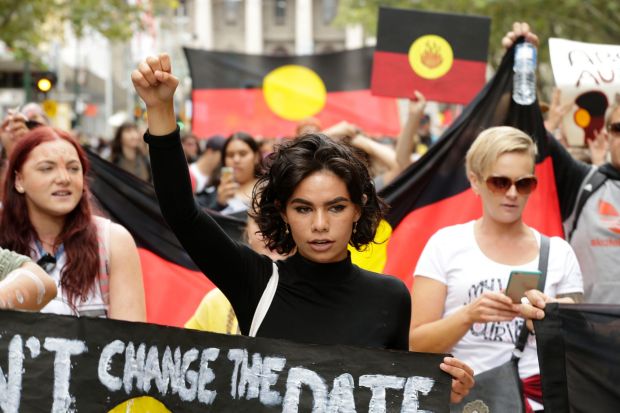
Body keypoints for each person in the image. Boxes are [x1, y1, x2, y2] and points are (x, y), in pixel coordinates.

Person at [132, 53, 474, 403]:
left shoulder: (391, 297)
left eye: (336, 207)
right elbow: (182, 214)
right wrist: (160, 110)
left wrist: (438, 389)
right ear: (283, 213)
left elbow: (393, 399)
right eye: (304, 208)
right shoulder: (257, 283)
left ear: (358, 209)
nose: (321, 225)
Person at [410, 126, 584, 411]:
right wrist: (469, 314)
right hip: (465, 401)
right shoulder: (445, 244)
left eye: (524, 183)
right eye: (500, 182)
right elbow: (416, 344)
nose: (513, 193)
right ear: (475, 182)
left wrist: (548, 317)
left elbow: (579, 341)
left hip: (540, 400)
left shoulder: (558, 253)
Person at [503, 22, 620, 304]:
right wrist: (519, 66)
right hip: (588, 339)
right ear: (607, 133)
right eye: (619, 128)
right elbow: (528, 134)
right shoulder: (583, 183)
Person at [0, 126, 146, 321]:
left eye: (73, 168)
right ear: (19, 180)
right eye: (46, 168)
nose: (64, 178)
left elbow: (131, 342)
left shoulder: (113, 242)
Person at [211, 132, 262, 215]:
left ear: (256, 157)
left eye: (243, 154)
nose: (236, 160)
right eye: (230, 155)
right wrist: (218, 204)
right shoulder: (214, 192)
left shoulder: (267, 189)